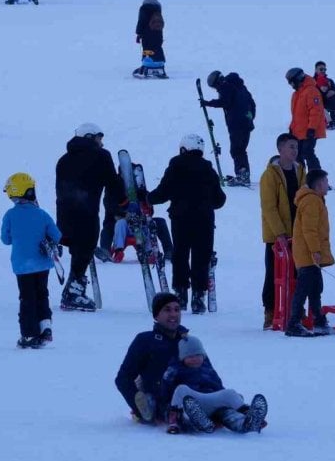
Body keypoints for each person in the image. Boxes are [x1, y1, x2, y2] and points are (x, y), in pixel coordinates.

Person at [147, 135, 226, 313]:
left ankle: (181, 294)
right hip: (204, 219)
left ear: (183, 148)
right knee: (201, 256)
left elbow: (163, 192)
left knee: (180, 255)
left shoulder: (176, 166)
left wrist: (148, 198)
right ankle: (198, 296)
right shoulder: (208, 170)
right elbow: (220, 199)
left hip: (181, 218)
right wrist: (206, 203)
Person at [55, 123, 125, 312]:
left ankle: (72, 290)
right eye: (99, 138)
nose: (101, 143)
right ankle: (73, 292)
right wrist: (124, 200)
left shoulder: (63, 160)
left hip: (64, 216)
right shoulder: (101, 156)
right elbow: (112, 183)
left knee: (77, 252)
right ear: (89, 137)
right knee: (83, 252)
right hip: (86, 213)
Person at [1, 172, 61, 349]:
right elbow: (57, 235)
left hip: (22, 266)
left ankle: (28, 334)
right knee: (42, 294)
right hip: (43, 264)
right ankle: (45, 327)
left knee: (27, 299)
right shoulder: (42, 214)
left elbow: (6, 239)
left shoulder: (10, 215)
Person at [162, 336, 268, 434]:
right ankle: (196, 422)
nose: (194, 358)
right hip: (193, 402)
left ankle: (247, 421)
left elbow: (218, 386)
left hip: (213, 402)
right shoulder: (177, 369)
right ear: (182, 358)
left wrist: (231, 399)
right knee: (181, 389)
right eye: (189, 356)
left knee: (229, 394)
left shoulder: (208, 369)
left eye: (198, 355)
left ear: (203, 356)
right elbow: (167, 387)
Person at [115, 292, 189, 425]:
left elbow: (207, 371)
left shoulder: (187, 341)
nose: (173, 314)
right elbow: (123, 378)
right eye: (167, 310)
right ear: (156, 315)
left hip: (192, 393)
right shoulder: (145, 340)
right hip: (162, 400)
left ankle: (233, 417)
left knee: (229, 398)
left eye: (177, 310)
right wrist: (140, 409)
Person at [259, 133, 305, 329]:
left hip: (298, 233)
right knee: (273, 273)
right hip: (277, 235)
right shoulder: (270, 175)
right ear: (280, 149)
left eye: (296, 147)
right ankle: (270, 311)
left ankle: (296, 311)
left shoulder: (300, 170)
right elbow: (269, 207)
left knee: (299, 272)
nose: (294, 151)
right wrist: (279, 233)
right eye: (290, 147)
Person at [285, 169, 334, 337]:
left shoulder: (316, 200)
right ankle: (294, 323)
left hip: (310, 256)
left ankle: (318, 320)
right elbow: (309, 230)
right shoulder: (312, 201)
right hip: (308, 256)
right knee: (304, 289)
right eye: (326, 181)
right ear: (319, 184)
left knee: (315, 289)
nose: (328, 185)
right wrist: (315, 251)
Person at [202, 71, 257, 186]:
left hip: (237, 124)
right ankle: (243, 174)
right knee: (241, 149)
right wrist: (249, 117)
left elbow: (225, 102)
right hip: (246, 123)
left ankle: (242, 175)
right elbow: (252, 103)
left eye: (214, 87)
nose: (216, 90)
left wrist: (208, 103)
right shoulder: (240, 86)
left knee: (236, 150)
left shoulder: (225, 86)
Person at [286, 67, 327, 171]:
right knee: (297, 154)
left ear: (297, 80)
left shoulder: (311, 91)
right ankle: (301, 178)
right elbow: (296, 115)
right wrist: (292, 128)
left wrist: (311, 128)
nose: (290, 85)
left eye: (291, 82)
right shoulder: (297, 94)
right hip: (299, 131)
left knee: (307, 153)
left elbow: (316, 111)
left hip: (310, 130)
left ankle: (317, 178)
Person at [135, 0, 166, 78]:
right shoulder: (158, 7)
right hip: (158, 33)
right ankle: (160, 64)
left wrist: (139, 34)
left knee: (147, 48)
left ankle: (147, 66)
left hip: (147, 33)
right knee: (157, 47)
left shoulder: (144, 8)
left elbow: (141, 21)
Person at [313, 61, 335, 130]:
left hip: (327, 103)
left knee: (333, 96)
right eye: (321, 69)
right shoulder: (312, 81)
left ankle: (332, 121)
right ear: (316, 70)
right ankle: (328, 122)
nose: (323, 71)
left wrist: (333, 92)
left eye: (324, 69)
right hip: (316, 104)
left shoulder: (329, 81)